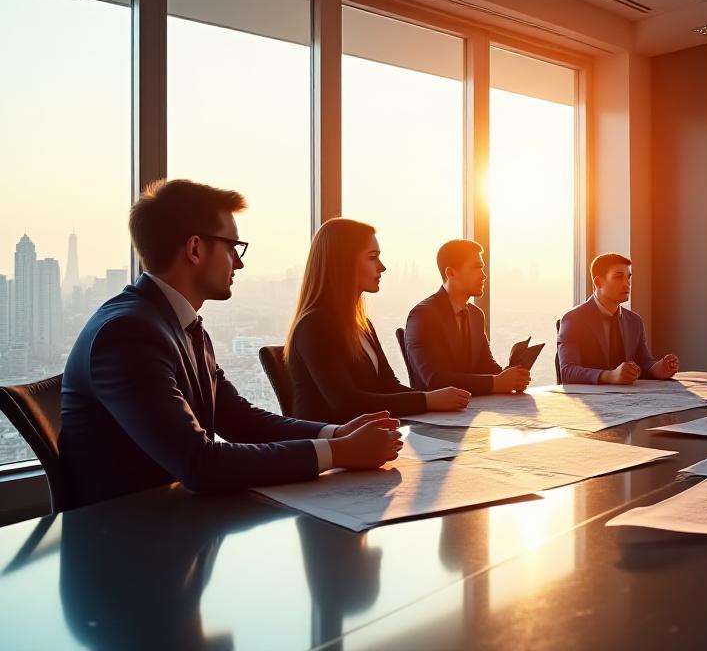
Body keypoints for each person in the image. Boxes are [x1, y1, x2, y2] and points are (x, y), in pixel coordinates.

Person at [59, 180, 403, 509]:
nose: (239, 262)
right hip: (126, 543)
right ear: (195, 248)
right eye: (232, 247)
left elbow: (239, 419)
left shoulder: (181, 325)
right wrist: (340, 453)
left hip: (176, 521)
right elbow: (200, 463)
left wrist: (336, 433)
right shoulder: (128, 334)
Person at [285, 219, 471, 424]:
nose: (382, 267)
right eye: (372, 258)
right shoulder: (315, 325)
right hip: (334, 446)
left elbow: (388, 385)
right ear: (343, 262)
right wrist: (427, 400)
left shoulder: (361, 324)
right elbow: (346, 402)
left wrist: (438, 400)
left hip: (368, 438)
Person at [403, 239, 530, 396]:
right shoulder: (423, 315)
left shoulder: (476, 315)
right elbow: (435, 380)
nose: (484, 275)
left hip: (473, 409)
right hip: (438, 416)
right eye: (477, 268)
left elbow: (486, 365)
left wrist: (512, 377)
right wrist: (496, 382)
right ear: (451, 273)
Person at [557, 253, 678, 385]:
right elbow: (567, 372)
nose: (627, 284)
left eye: (628, 277)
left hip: (629, 400)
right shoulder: (573, 320)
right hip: (590, 402)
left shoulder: (634, 321)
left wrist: (657, 369)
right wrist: (609, 376)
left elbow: (643, 363)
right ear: (598, 282)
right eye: (618, 277)